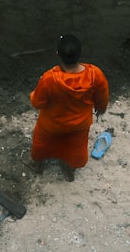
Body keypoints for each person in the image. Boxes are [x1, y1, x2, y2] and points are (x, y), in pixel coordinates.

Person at [29, 34, 109, 182]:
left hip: (51, 125)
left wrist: (33, 94)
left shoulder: (49, 79)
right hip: (79, 124)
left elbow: (37, 103)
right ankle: (70, 169)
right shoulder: (94, 74)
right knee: (76, 148)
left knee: (41, 144)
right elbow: (102, 96)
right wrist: (101, 108)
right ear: (80, 54)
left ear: (57, 55)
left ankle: (38, 165)